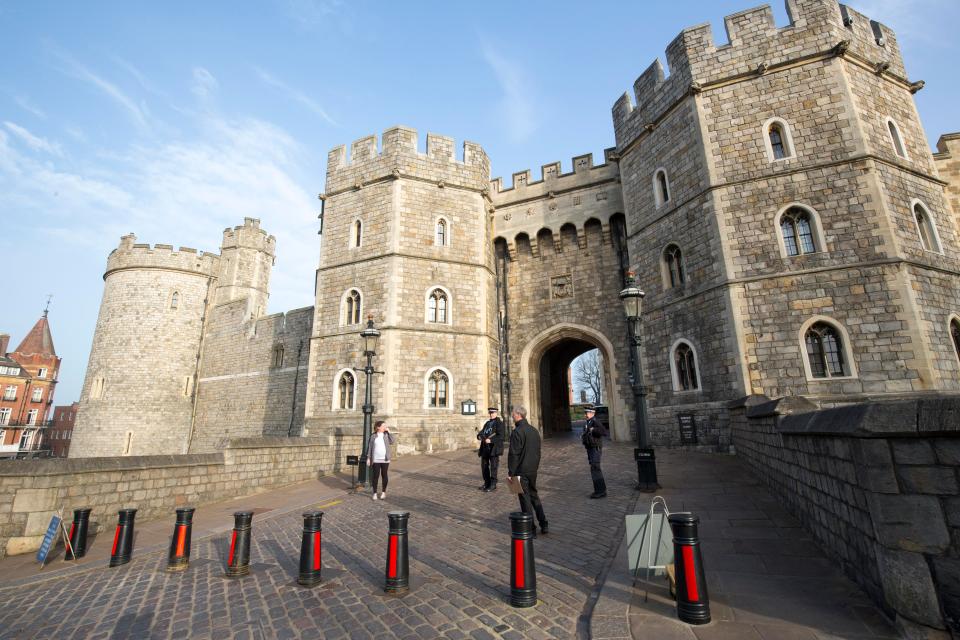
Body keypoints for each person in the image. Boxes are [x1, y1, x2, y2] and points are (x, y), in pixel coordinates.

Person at [507, 406, 548, 535]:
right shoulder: (534, 430)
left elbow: (514, 454)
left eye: (513, 414)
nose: (512, 416)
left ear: (519, 415)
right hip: (532, 469)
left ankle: (531, 528)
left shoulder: (517, 432)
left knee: (525, 500)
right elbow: (538, 452)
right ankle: (544, 524)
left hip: (521, 471)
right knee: (534, 496)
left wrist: (511, 473)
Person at [581, 405, 608, 498]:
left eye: (587, 412)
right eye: (585, 412)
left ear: (592, 413)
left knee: (595, 469)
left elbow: (604, 432)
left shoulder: (595, 421)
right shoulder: (588, 421)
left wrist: (593, 430)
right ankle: (600, 490)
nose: (585, 414)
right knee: (594, 469)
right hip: (591, 448)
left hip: (595, 449)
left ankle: (600, 491)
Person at [477, 406, 505, 492]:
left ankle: (493, 485)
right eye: (490, 413)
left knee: (493, 467)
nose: (491, 414)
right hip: (485, 449)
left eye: (492, 413)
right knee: (484, 466)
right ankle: (487, 483)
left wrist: (491, 440)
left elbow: (501, 436)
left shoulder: (499, 423)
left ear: (496, 413)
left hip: (494, 449)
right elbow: (482, 433)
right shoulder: (487, 423)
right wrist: (479, 436)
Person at [367, 420, 395, 500]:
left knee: (384, 475)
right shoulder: (373, 436)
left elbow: (392, 441)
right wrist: (368, 458)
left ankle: (383, 492)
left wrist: (389, 432)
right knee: (375, 476)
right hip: (375, 459)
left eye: (385, 426)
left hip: (385, 459)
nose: (385, 427)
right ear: (378, 427)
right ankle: (375, 493)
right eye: (384, 426)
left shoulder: (386, 435)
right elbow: (370, 447)